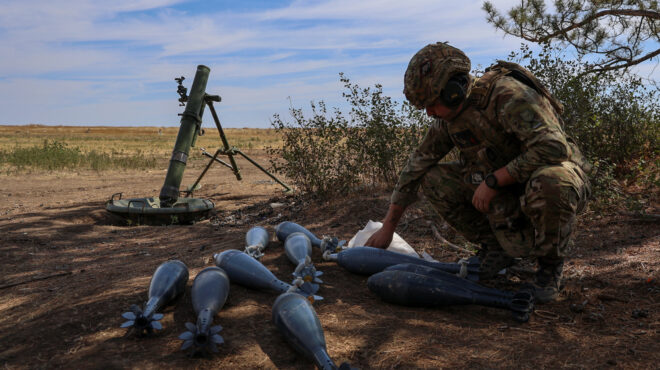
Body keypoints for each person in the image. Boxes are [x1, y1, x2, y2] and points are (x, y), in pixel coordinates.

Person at [365, 42, 591, 303]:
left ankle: (549, 268)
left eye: (432, 103)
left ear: (453, 91)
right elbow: (417, 164)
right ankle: (497, 249)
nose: (429, 112)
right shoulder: (450, 120)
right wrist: (388, 228)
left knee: (553, 181)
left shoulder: (507, 95)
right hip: (510, 185)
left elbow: (553, 147)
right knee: (433, 178)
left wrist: (494, 181)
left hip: (553, 173)